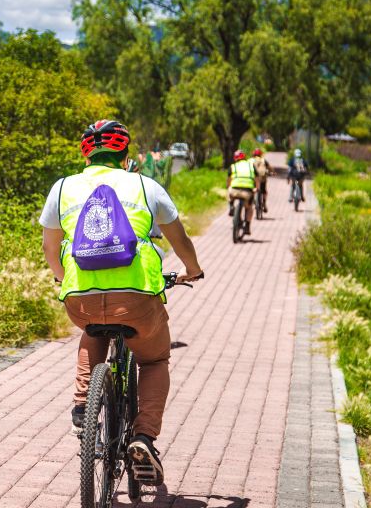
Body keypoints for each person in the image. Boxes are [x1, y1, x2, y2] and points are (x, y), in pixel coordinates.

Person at [40, 120, 204, 485]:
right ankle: (144, 437)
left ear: (85, 153)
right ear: (125, 154)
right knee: (154, 358)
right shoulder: (146, 186)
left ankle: (83, 406)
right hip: (137, 300)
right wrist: (192, 269)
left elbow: (51, 250)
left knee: (91, 332)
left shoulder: (62, 188)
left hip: (80, 298)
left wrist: (60, 275)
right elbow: (179, 239)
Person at [227, 150, 256, 235]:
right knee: (249, 207)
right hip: (247, 190)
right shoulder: (251, 166)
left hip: (234, 190)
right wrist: (256, 188)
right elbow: (257, 178)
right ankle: (247, 225)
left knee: (229, 192)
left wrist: (228, 186)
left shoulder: (233, 166)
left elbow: (228, 179)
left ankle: (231, 205)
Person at [251, 148, 271, 214]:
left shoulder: (251, 160)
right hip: (262, 178)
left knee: (253, 190)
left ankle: (254, 201)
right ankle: (264, 204)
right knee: (264, 191)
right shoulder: (263, 160)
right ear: (261, 154)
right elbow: (269, 167)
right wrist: (272, 172)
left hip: (253, 178)